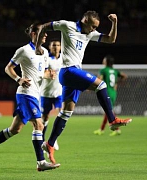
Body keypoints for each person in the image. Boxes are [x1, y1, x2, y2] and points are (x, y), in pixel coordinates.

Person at [35, 10, 132, 164]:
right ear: (85, 20)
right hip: (68, 71)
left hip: (74, 73)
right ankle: (112, 120)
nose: (94, 30)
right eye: (93, 26)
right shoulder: (67, 26)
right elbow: (42, 27)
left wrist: (114, 23)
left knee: (66, 113)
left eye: (96, 27)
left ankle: (50, 144)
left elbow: (110, 39)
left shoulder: (89, 34)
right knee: (101, 84)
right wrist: (38, 47)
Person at [0, 23, 60, 171]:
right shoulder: (24, 51)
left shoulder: (45, 53)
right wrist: (19, 79)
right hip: (25, 94)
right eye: (43, 32)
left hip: (36, 94)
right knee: (39, 125)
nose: (46, 35)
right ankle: (41, 163)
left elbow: (43, 73)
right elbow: (8, 68)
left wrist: (50, 75)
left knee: (14, 129)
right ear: (34, 34)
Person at [93, 55, 128, 136]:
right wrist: (117, 83)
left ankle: (115, 129)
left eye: (104, 59)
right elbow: (124, 76)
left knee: (108, 111)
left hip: (106, 91)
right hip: (113, 92)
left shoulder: (104, 70)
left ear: (106, 61)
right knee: (108, 110)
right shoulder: (115, 71)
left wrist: (90, 87)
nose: (103, 60)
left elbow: (99, 80)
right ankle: (103, 129)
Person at [40, 39, 62, 150]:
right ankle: (42, 141)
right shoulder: (47, 59)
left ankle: (53, 140)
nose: (56, 47)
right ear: (49, 47)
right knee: (45, 117)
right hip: (46, 93)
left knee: (61, 115)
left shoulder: (63, 59)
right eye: (53, 45)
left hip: (59, 93)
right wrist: (48, 73)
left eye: (58, 45)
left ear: (60, 47)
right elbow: (42, 72)